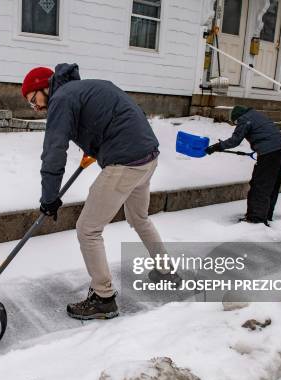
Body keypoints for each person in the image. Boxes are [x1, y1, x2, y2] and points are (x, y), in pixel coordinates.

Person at [21, 63, 171, 320]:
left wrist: (48, 198)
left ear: (43, 87)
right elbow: (120, 113)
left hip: (126, 162)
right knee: (139, 218)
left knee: (88, 229)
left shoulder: (61, 99)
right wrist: (98, 145)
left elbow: (54, 152)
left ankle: (103, 298)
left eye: (33, 100)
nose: (35, 108)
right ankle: (166, 270)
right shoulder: (84, 89)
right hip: (148, 156)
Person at [205, 106, 281, 226]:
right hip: (280, 148)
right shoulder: (255, 114)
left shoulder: (244, 119)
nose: (237, 124)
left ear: (237, 118)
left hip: (268, 152)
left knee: (259, 185)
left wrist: (217, 146)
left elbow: (235, 140)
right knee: (272, 184)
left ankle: (256, 219)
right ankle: (266, 214)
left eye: (235, 122)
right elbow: (265, 133)